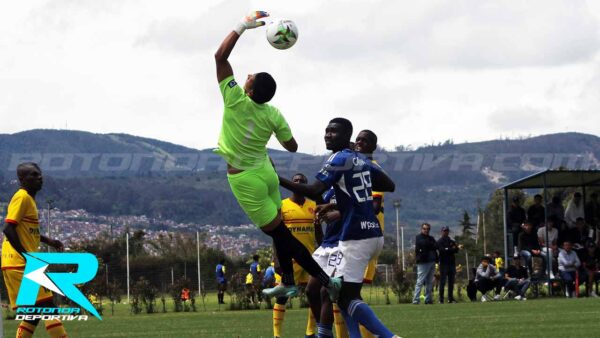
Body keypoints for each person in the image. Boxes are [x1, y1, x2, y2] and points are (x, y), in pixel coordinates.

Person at [215, 10, 337, 300]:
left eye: (250, 77)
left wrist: (243, 25)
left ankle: (326, 281)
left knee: (283, 236)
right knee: (279, 233)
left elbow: (220, 57)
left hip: (246, 180)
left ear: (250, 89)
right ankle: (289, 281)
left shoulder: (234, 100)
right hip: (267, 174)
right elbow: (292, 146)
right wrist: (270, 131)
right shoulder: (273, 113)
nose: (246, 76)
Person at [279, 118, 399, 338]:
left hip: (356, 236)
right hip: (364, 235)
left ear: (346, 136)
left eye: (333, 132)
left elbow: (314, 191)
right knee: (327, 290)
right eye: (326, 131)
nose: (327, 135)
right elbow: (389, 184)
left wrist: (276, 178)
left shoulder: (340, 157)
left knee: (344, 296)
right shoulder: (359, 161)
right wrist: (341, 201)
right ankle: (329, 334)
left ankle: (389, 336)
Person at [1, 162, 68, 338]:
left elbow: (26, 232)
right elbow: (8, 228)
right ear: (22, 179)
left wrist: (50, 241)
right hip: (20, 263)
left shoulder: (29, 199)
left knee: (35, 314)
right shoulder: (22, 197)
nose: (39, 178)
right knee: (48, 308)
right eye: (33, 175)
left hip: (17, 262)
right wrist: (27, 256)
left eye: (39, 174)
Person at [272, 173, 319, 338]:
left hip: (310, 259)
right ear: (291, 185)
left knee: (314, 295)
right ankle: (277, 335)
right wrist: (277, 259)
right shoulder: (282, 205)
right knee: (282, 296)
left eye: (302, 181)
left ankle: (310, 333)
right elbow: (275, 234)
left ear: (306, 185)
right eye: (295, 181)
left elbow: (319, 233)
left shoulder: (313, 205)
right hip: (289, 260)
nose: (298, 183)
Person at [354, 129, 384, 338]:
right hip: (354, 235)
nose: (359, 143)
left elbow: (374, 205)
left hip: (367, 236)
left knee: (350, 293)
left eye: (364, 141)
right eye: (357, 139)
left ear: (373, 147)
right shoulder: (355, 167)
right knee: (345, 293)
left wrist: (342, 211)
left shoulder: (372, 169)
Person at [413, 223, 437, 305]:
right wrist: (431, 245)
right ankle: (416, 300)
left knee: (429, 282)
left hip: (431, 261)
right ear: (421, 229)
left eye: (428, 229)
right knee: (420, 281)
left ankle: (428, 299)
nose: (426, 230)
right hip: (423, 262)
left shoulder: (431, 238)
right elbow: (423, 244)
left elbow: (435, 247)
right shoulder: (418, 237)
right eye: (424, 228)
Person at [436, 226, 461, 304]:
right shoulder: (439, 241)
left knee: (451, 282)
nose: (445, 232)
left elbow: (456, 250)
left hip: (451, 264)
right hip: (443, 264)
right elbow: (442, 250)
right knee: (442, 282)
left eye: (447, 231)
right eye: (444, 231)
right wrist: (450, 249)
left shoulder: (451, 241)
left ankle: (450, 298)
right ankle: (441, 299)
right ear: (441, 232)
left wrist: (449, 249)